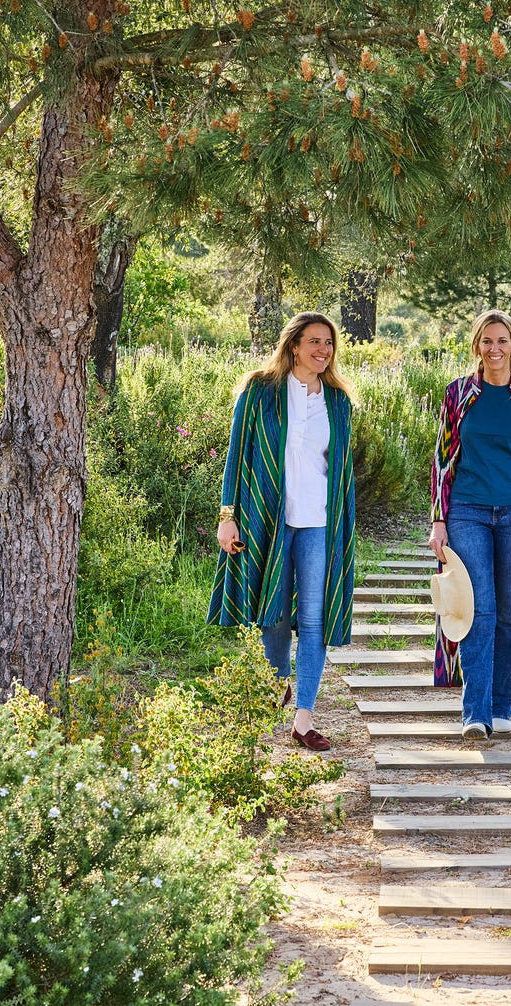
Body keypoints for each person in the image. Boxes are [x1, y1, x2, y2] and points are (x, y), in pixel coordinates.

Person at [209, 312, 356, 752]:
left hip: (319, 522)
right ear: (294, 345)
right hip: (267, 519)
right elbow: (236, 455)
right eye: (314, 341)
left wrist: (344, 528)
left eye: (328, 343)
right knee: (271, 611)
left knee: (313, 618)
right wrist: (227, 516)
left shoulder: (338, 401)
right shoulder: (260, 391)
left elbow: (341, 470)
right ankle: (277, 682)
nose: (323, 350)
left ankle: (304, 718)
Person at [428, 309, 511, 738]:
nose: (494, 349)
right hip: (467, 511)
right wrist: (439, 520)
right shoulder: (458, 394)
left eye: (502, 341)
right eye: (487, 341)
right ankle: (476, 713)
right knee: (477, 609)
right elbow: (442, 458)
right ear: (476, 346)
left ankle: (501, 704)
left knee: (508, 611)